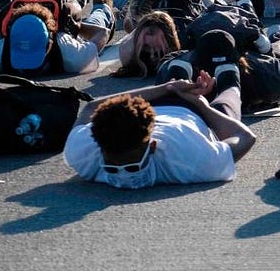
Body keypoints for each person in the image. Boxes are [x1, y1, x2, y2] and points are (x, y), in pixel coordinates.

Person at [63, 63, 257, 188]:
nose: (123, 181)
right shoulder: (83, 149)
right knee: (172, 88)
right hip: (154, 105)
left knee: (224, 108)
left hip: (192, 114)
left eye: (133, 167)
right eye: (111, 168)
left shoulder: (189, 157)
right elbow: (91, 108)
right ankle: (177, 75)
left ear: (153, 146)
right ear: (98, 147)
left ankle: (228, 76)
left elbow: (245, 136)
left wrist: (201, 105)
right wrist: (163, 89)